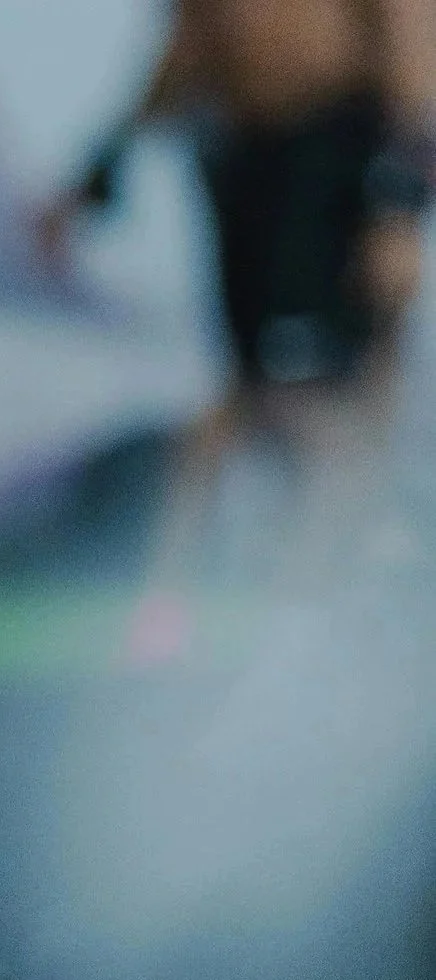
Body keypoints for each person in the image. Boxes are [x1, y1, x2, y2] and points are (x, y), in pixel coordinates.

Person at [38, 0, 436, 657]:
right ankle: (181, 613)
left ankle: (312, 620)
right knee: (245, 396)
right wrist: (97, 171)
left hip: (335, 158)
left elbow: (413, 43)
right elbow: (186, 49)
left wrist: (397, 204)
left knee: (328, 406)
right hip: (244, 163)